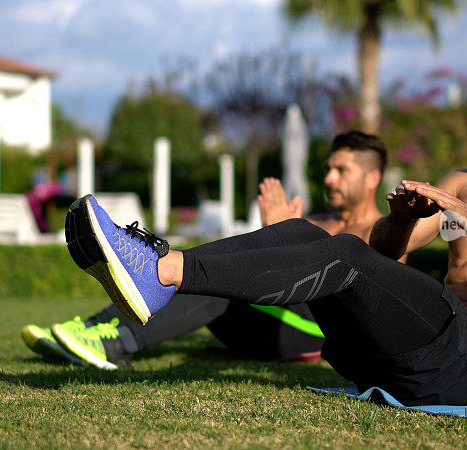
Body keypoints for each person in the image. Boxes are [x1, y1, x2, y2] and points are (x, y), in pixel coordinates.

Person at [64, 50, 467, 406]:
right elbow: (382, 258)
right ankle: (158, 270)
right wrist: (399, 223)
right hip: (389, 357)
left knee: (342, 254)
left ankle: (159, 271)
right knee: (321, 239)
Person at [22, 131, 388, 369]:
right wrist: (281, 235)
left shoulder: (384, 231)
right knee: (215, 266)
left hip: (313, 332)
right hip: (267, 320)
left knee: (221, 283)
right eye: (328, 169)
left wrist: (284, 234)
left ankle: (117, 343)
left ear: (372, 178)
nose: (328, 178)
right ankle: (93, 327)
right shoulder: (316, 221)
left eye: (342, 170)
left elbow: (370, 300)